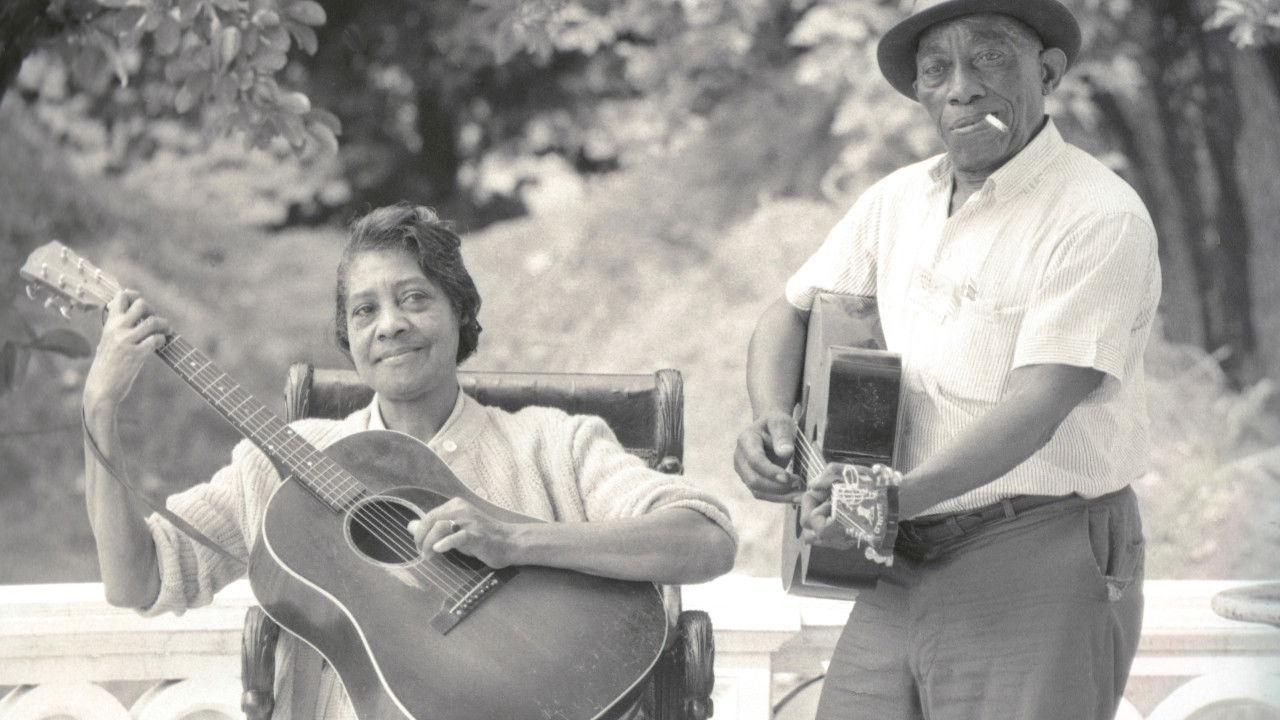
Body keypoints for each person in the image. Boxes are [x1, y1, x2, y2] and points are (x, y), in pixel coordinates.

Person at [82, 203, 737, 719]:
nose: (388, 324)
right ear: (348, 337)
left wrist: (516, 539)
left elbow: (703, 542)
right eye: (364, 310)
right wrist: (100, 407)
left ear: (460, 311)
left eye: (415, 298)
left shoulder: (554, 443)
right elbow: (136, 581)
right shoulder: (284, 461)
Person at [733, 0, 1159, 717]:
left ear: (1048, 72)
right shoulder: (897, 199)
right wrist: (771, 419)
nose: (961, 86)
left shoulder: (1098, 216)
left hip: (1036, 551)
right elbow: (791, 310)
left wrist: (883, 502)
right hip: (897, 553)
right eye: (938, 69)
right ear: (922, 93)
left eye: (989, 58)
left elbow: (1037, 408)